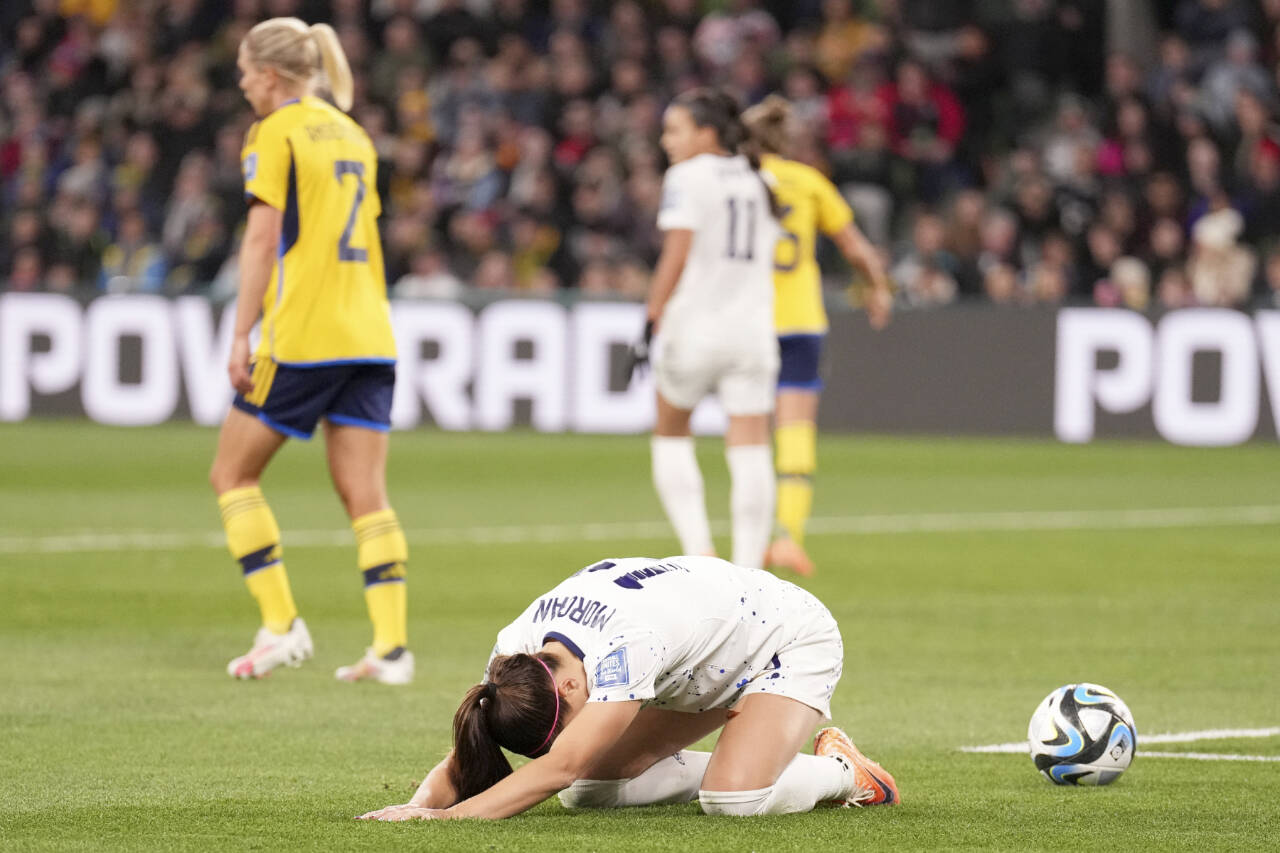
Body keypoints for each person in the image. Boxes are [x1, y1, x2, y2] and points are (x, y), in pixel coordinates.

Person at [356, 555, 899, 821]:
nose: (566, 740)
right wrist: (416, 805)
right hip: (702, 657)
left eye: (561, 728)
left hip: (783, 638)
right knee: (591, 792)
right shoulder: (514, 653)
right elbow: (471, 742)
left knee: (733, 800)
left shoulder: (625, 648)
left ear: (568, 686)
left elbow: (560, 766)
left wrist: (450, 818)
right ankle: (748, 751)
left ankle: (846, 772)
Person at [208, 17, 412, 685]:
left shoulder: (276, 132)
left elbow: (262, 240)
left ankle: (280, 625)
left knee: (231, 475)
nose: (240, 83)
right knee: (366, 495)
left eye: (244, 70)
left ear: (270, 75)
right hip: (370, 335)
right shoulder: (352, 131)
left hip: (305, 335)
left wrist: (241, 332)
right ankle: (390, 648)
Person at [631, 88, 782, 571]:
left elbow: (676, 253)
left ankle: (699, 553)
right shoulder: (764, 179)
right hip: (753, 332)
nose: (665, 139)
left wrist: (651, 316)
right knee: (751, 445)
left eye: (675, 129)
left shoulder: (687, 177)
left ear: (706, 132)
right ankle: (750, 571)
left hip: (695, 327)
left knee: (671, 432)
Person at [743, 95, 893, 577]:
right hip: (802, 321)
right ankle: (788, 536)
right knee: (796, 429)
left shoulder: (738, 182)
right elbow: (855, 247)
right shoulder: (809, 182)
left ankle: (749, 536)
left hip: (749, 319)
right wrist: (879, 289)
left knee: (749, 435)